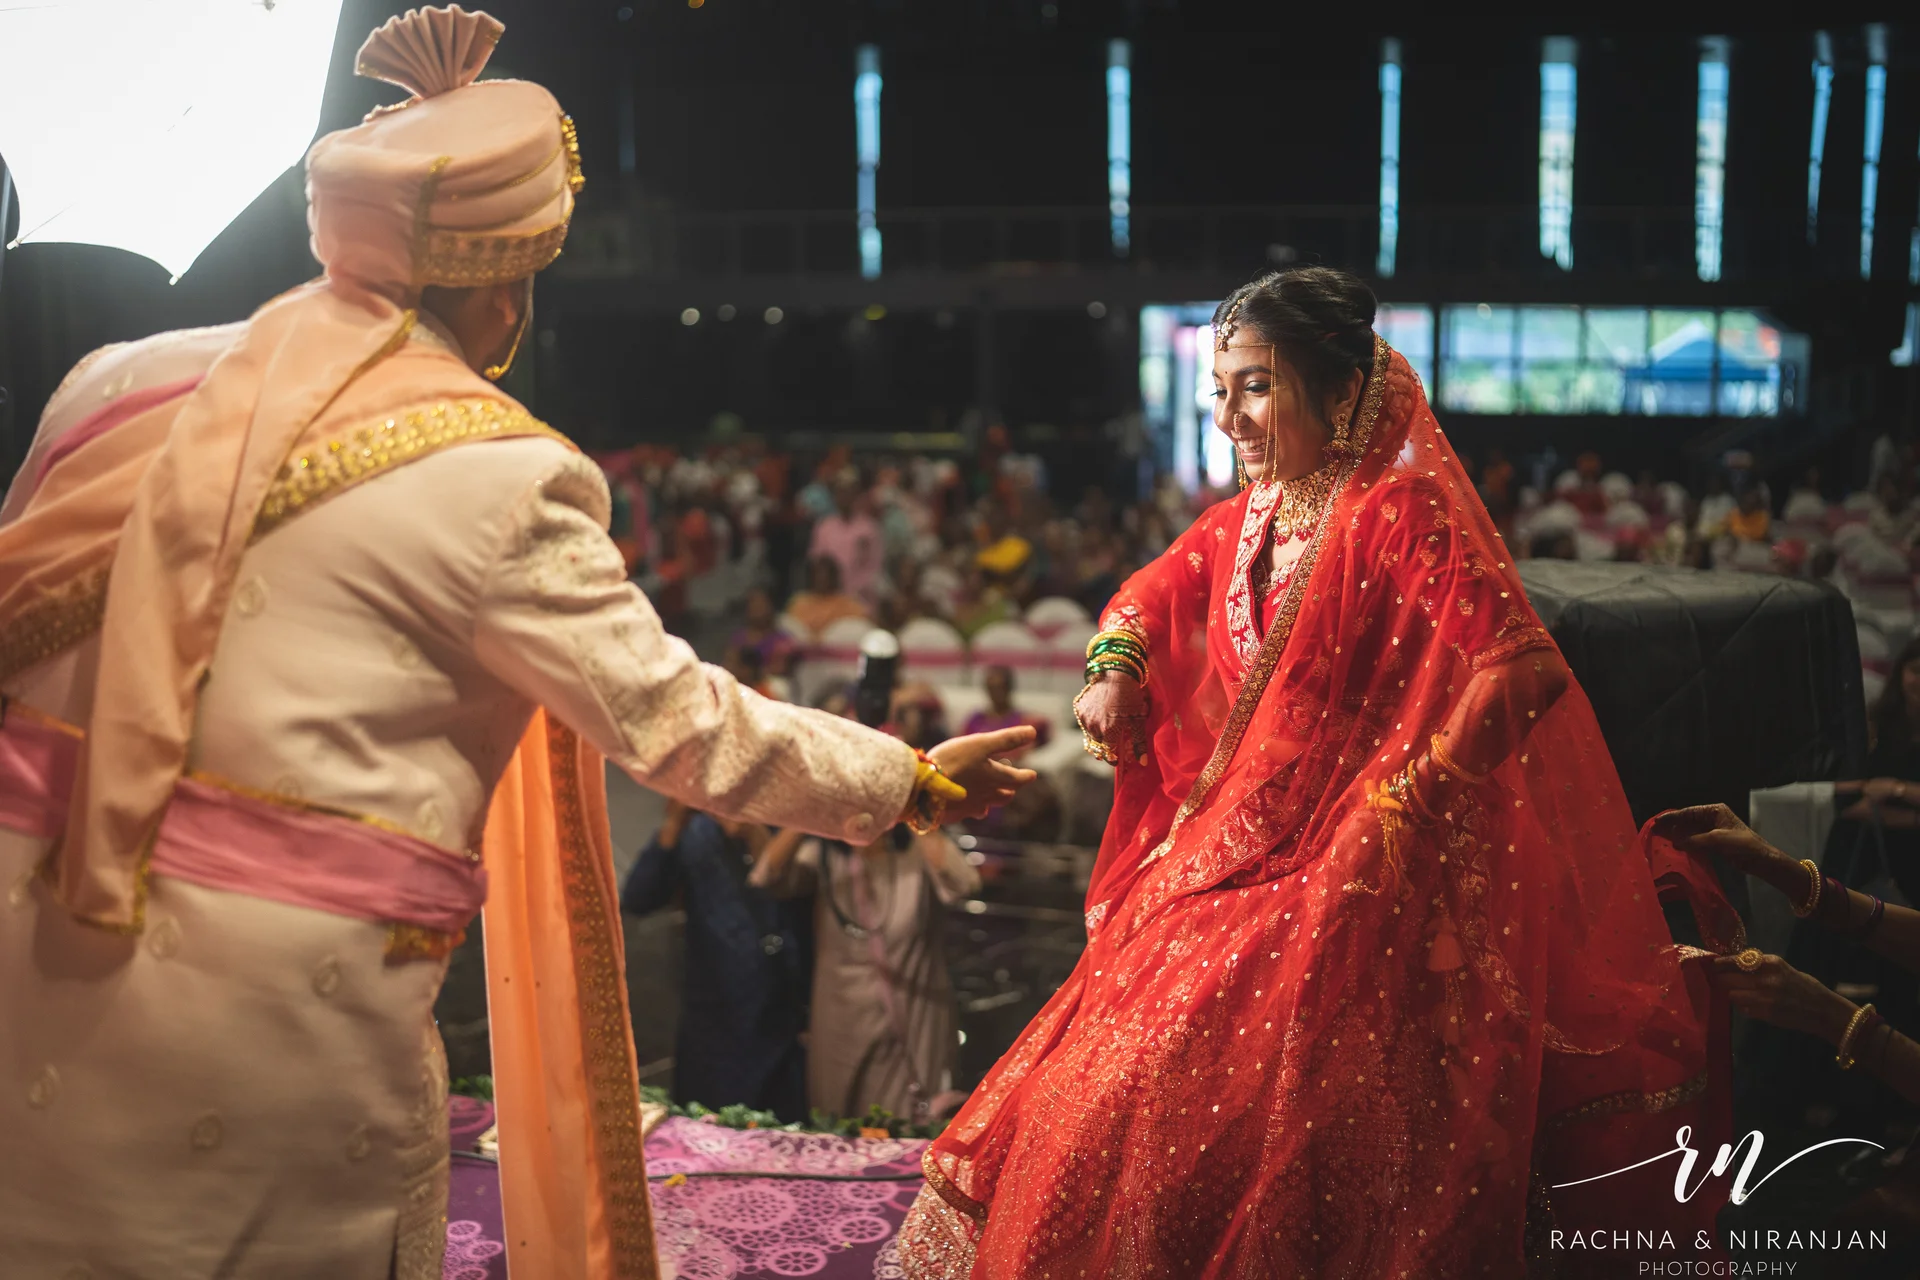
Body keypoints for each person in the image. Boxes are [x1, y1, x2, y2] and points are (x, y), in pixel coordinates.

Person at [0, 10, 1035, 1278]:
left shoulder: (110, 379)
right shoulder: (500, 470)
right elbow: (681, 723)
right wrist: (910, 778)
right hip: (277, 1033)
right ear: (507, 286)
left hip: (30, 948)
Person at [898, 267, 1712, 1277]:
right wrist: (1115, 664)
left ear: (1340, 393)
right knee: (1109, 1062)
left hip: (1358, 867)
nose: (1232, 416)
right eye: (1221, 389)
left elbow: (1523, 666)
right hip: (1236, 849)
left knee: (1176, 1071)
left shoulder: (1395, 509)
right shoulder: (1261, 510)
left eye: (1257, 386)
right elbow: (1152, 587)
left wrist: (1407, 801)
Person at [752, 824, 981, 1125]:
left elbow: (963, 884)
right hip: (840, 1014)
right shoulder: (825, 854)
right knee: (836, 1118)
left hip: (916, 1009)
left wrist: (916, 811)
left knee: (912, 1120)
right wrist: (810, 813)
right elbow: (765, 875)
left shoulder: (915, 851)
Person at [621, 800, 812, 1121]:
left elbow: (793, 894)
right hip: (713, 1025)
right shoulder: (696, 830)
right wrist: (673, 824)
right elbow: (638, 898)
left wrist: (754, 832)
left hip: (784, 1023)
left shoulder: (790, 821)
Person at [808, 476, 884, 607]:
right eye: (840, 493)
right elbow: (817, 562)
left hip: (861, 599)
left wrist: (854, 590)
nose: (844, 498)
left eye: (849, 493)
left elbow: (875, 566)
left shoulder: (869, 528)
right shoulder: (824, 527)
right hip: (829, 597)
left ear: (856, 496)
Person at [962, 665, 1052, 753]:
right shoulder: (976, 719)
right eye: (991, 688)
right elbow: (960, 745)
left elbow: (1041, 740)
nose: (995, 693)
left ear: (1009, 688)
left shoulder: (1024, 720)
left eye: (1000, 687)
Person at [785, 553, 871, 637]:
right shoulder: (799, 603)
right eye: (818, 574)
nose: (821, 579)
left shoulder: (848, 604)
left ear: (834, 577)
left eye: (825, 574)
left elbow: (862, 626)